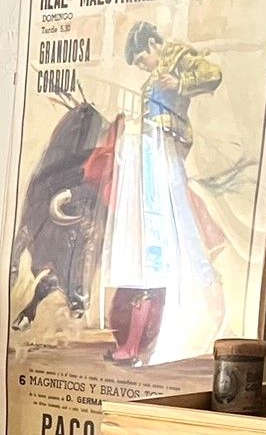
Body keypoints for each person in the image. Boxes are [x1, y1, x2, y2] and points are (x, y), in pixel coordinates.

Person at [91, 20, 228, 366]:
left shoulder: (179, 56)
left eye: (141, 59)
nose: (143, 67)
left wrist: (181, 82)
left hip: (168, 147)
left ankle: (199, 287)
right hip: (149, 150)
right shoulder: (153, 79)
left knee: (179, 211)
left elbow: (212, 74)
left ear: (153, 45)